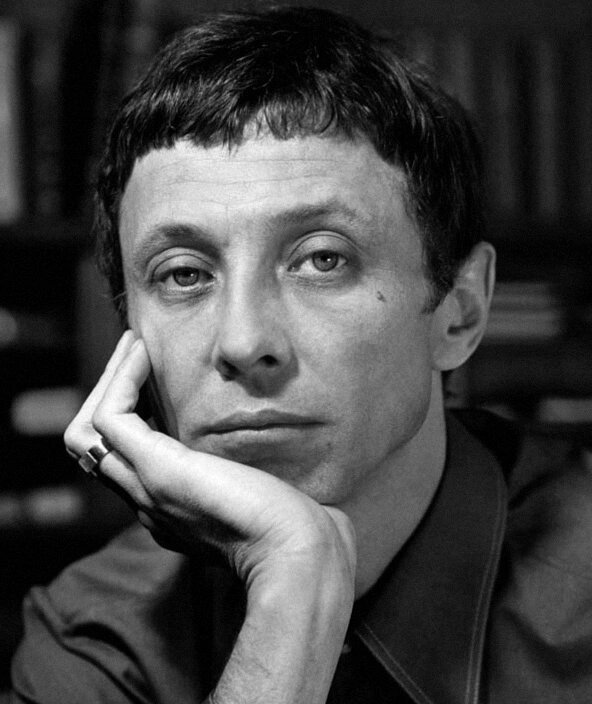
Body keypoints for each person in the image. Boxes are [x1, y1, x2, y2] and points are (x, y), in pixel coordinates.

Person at [7, 6, 592, 703]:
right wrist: (294, 579)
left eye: (322, 260)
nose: (244, 343)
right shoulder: (95, 633)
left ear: (458, 312)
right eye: (184, 274)